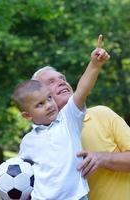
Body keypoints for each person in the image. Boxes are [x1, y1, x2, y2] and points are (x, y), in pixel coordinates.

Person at [32, 41, 130, 199]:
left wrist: (102, 158)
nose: (61, 81)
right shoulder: (37, 141)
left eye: (62, 78)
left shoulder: (101, 114)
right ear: (38, 97)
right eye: (51, 82)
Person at [13, 35, 110, 200]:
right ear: (27, 115)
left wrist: (94, 65)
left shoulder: (68, 120)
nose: (49, 105)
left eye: (49, 98)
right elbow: (22, 175)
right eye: (40, 104)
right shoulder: (27, 142)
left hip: (76, 197)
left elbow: (82, 90)